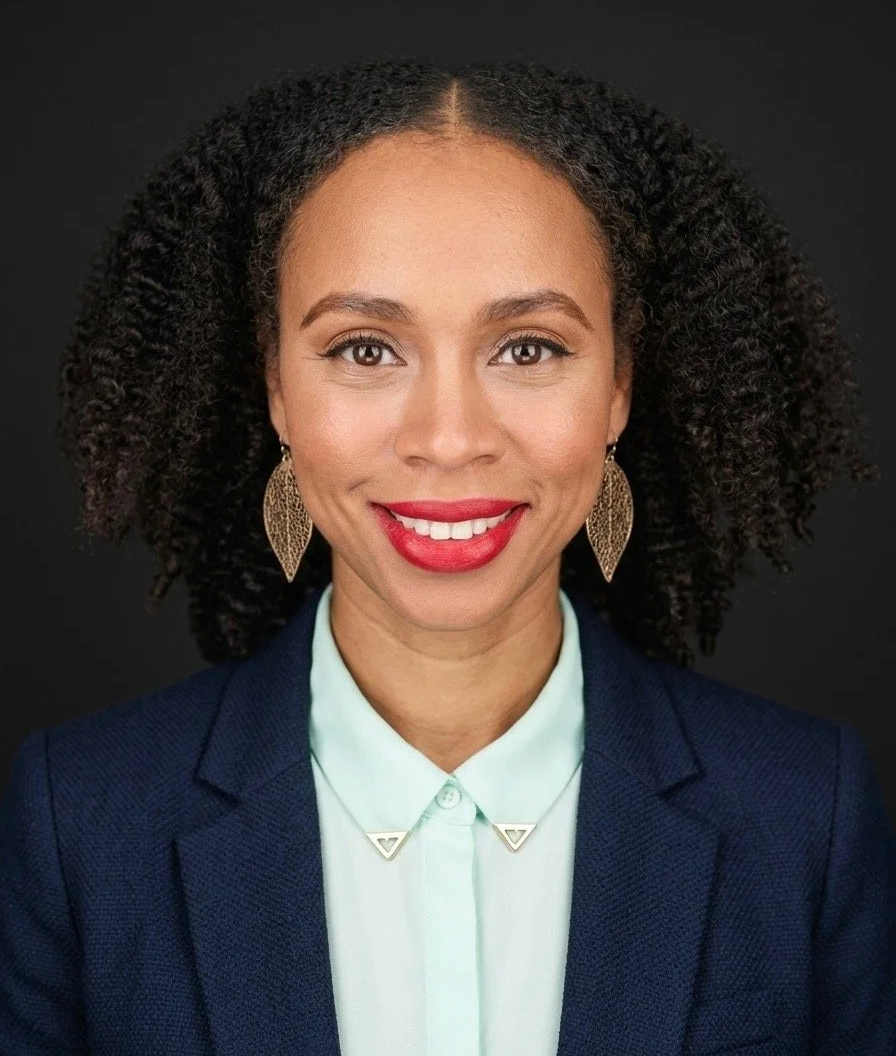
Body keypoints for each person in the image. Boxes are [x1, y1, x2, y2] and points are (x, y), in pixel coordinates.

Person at [0, 59, 892, 1055]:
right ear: (275, 388)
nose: (448, 436)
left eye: (527, 348)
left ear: (617, 385)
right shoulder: (79, 822)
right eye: (365, 350)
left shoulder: (802, 814)